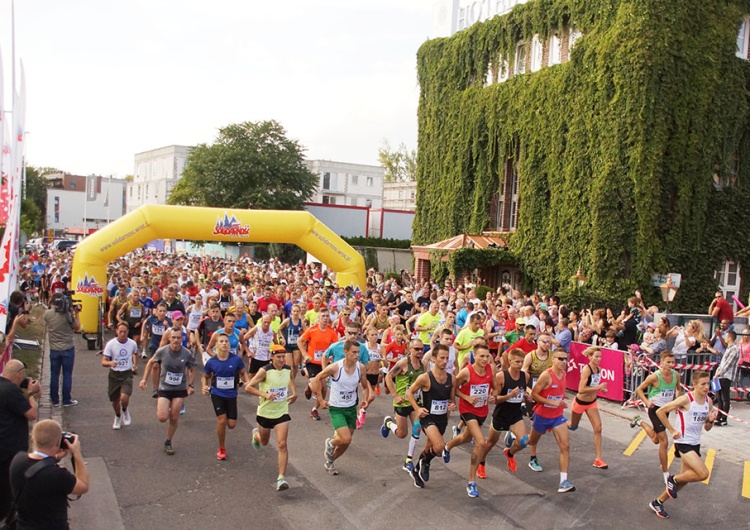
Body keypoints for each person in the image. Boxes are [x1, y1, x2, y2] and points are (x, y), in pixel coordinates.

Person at [648, 371, 717, 519]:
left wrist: (710, 420)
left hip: (695, 443)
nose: (706, 387)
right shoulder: (686, 399)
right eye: (703, 384)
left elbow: (707, 428)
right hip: (683, 442)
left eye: (708, 383)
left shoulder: (708, 402)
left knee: (684, 480)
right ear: (694, 384)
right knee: (703, 474)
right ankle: (672, 479)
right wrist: (672, 430)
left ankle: (658, 502)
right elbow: (661, 411)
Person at [9, 420, 89, 529]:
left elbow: (36, 466)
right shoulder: (57, 475)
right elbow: (83, 486)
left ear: (33, 440)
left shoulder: (17, 460)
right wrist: (77, 454)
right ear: (58, 442)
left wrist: (53, 458)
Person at [311, 339, 371, 475]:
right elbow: (317, 379)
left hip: (351, 408)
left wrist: (365, 400)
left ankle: (330, 461)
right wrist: (320, 400)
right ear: (345, 352)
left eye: (358, 352)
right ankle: (331, 443)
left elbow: (365, 386)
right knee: (346, 438)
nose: (357, 355)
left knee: (346, 443)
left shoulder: (360, 368)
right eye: (354, 352)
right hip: (336, 408)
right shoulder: (336, 368)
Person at [443, 344, 495, 496]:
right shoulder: (467, 372)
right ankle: (471, 482)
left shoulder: (491, 370)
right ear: (474, 356)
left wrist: (493, 395)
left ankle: (448, 446)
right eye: (481, 356)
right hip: (467, 409)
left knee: (466, 437)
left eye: (487, 356)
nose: (485, 359)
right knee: (481, 442)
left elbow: (494, 387)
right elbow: (454, 387)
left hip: (482, 410)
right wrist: (466, 398)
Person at [244, 344, 297, 491]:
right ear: (271, 357)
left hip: (281, 412)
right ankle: (256, 436)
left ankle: (281, 478)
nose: (281, 360)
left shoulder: (287, 369)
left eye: (283, 357)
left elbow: (291, 379)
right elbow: (248, 387)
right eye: (278, 357)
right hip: (265, 413)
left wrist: (295, 393)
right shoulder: (265, 371)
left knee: (282, 444)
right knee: (265, 441)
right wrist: (265, 395)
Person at [139, 328, 197, 455]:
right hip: (165, 388)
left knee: (175, 416)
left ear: (182, 339)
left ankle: (168, 441)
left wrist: (191, 385)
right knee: (162, 417)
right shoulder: (162, 351)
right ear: (169, 338)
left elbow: (192, 369)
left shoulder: (186, 354)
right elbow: (150, 363)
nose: (176, 340)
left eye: (178, 338)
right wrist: (144, 379)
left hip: (179, 389)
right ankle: (167, 407)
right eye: (174, 337)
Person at [405, 343, 455, 489]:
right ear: (433, 358)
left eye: (447, 358)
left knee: (430, 448)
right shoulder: (425, 378)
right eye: (441, 358)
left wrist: (452, 405)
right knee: (439, 447)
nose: (445, 361)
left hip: (442, 418)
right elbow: (409, 393)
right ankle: (425, 463)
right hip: (427, 418)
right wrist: (417, 408)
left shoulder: (452, 379)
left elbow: (452, 400)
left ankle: (416, 469)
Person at [631, 351, 682, 484]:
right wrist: (647, 402)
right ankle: (666, 473)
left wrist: (677, 401)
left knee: (655, 439)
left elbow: (678, 389)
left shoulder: (676, 375)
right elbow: (639, 389)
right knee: (664, 441)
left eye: (672, 362)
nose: (671, 365)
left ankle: (639, 421)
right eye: (668, 362)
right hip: (655, 409)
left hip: (666, 410)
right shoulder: (654, 377)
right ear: (662, 362)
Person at [528, 350, 575, 493]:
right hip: (542, 415)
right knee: (531, 441)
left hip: (557, 416)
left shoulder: (564, 374)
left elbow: (558, 393)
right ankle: (513, 441)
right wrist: (550, 401)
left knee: (565, 446)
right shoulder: (546, 375)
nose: (564, 361)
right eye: (560, 359)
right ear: (553, 359)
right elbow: (534, 394)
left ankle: (563, 482)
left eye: (566, 359)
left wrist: (560, 401)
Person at [479, 348, 530, 477]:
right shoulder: (501, 376)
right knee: (490, 443)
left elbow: (522, 393)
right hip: (501, 415)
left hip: (515, 416)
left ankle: (510, 453)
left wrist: (526, 397)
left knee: (524, 441)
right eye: (517, 362)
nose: (520, 365)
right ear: (510, 361)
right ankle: (481, 462)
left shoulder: (525, 376)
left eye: (522, 362)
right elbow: (495, 400)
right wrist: (510, 395)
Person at [0, 359, 40, 519]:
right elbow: (32, 414)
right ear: (20, 375)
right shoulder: (11, 391)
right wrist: (31, 394)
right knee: (9, 491)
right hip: (10, 450)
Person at [381, 339, 426, 472]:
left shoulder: (424, 365)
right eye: (416, 349)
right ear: (409, 349)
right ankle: (389, 423)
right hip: (402, 402)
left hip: (415, 402)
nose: (419, 352)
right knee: (402, 434)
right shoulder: (403, 363)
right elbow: (388, 377)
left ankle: (408, 460)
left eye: (421, 349)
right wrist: (395, 395)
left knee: (417, 428)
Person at [202, 333, 248, 460]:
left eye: (226, 341)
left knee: (231, 424)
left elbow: (243, 372)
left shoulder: (236, 359)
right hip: (217, 393)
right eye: (221, 341)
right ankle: (221, 447)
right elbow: (205, 377)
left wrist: (247, 381)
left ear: (229, 344)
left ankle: (224, 423)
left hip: (232, 394)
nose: (223, 343)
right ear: (216, 344)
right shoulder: (212, 362)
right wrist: (204, 387)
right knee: (222, 420)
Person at [566, 346, 608, 469]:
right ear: (589, 357)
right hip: (580, 402)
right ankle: (559, 424)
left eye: (600, 356)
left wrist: (603, 389)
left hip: (592, 403)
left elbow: (594, 385)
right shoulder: (586, 370)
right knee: (573, 426)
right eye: (596, 356)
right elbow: (581, 389)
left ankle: (598, 459)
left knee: (598, 428)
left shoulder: (599, 370)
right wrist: (599, 387)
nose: (599, 359)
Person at [298, 308, 338, 420]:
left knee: (325, 388)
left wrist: (332, 356)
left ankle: (314, 408)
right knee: (318, 385)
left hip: (324, 363)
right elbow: (300, 341)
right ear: (318, 318)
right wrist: (305, 355)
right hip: (312, 362)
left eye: (327, 316)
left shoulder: (331, 332)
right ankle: (318, 397)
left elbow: (336, 347)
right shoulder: (312, 330)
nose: (325, 318)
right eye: (323, 316)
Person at [44, 292, 81, 407]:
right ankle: (66, 399)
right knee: (67, 374)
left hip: (54, 348)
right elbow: (77, 326)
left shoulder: (47, 314)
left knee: (54, 374)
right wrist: (76, 313)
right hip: (67, 348)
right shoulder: (66, 314)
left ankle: (54, 399)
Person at [101, 322, 139, 430]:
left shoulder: (132, 343)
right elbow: (103, 361)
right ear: (117, 331)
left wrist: (134, 364)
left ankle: (125, 410)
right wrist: (110, 363)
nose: (122, 334)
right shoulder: (111, 344)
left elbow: (135, 354)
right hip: (114, 374)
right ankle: (117, 416)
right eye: (120, 331)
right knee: (115, 400)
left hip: (127, 373)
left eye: (125, 332)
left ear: (128, 332)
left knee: (124, 397)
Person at [714, 330, 739, 426]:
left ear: (730, 337)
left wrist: (719, 373)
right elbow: (723, 363)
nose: (725, 338)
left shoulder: (734, 349)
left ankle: (724, 418)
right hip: (721, 375)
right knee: (719, 397)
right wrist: (717, 372)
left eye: (726, 336)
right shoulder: (728, 348)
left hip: (726, 376)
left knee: (725, 398)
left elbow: (728, 364)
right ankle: (719, 416)